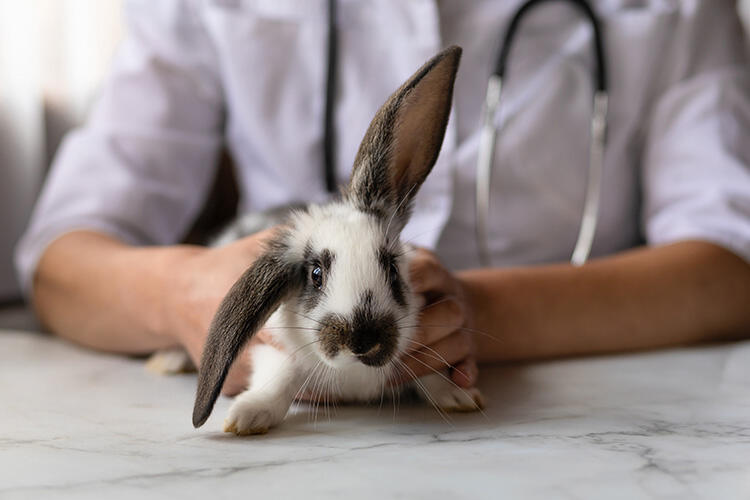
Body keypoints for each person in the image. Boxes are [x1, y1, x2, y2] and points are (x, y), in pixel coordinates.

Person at [15, 0, 750, 397]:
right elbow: (62, 262)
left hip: (579, 406)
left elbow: (728, 266)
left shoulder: (678, 11)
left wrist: (459, 313)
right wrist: (188, 296)